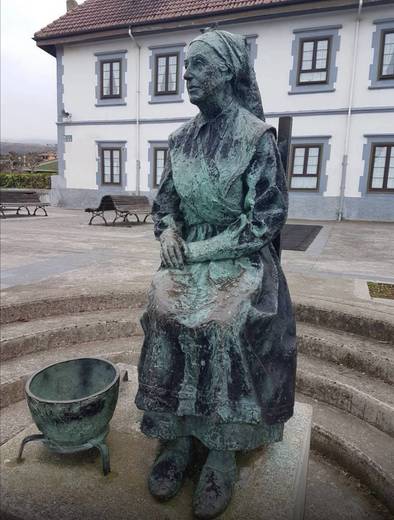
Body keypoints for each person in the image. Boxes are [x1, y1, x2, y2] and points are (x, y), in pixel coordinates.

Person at [135, 29, 296, 520]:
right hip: (188, 258)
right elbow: (166, 207)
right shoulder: (180, 140)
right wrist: (166, 233)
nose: (187, 74)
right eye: (186, 66)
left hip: (242, 258)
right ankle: (178, 439)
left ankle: (222, 449)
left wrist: (201, 248)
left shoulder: (255, 137)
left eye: (199, 66)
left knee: (223, 323)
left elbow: (266, 219)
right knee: (163, 313)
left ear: (228, 72)